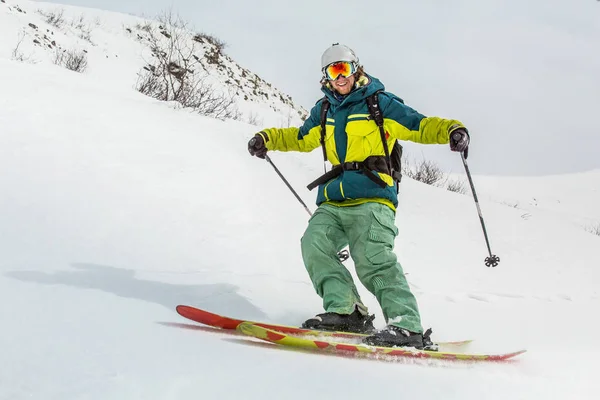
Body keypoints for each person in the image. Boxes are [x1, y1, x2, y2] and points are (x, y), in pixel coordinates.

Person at [247, 43, 469, 349]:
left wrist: (452, 130)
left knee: (373, 260)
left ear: (356, 69)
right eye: (333, 71)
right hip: (334, 200)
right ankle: (347, 311)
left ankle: (408, 326)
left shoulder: (379, 104)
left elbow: (419, 125)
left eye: (345, 69)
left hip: (373, 197)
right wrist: (267, 138)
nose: (340, 77)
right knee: (314, 244)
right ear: (325, 76)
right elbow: (300, 137)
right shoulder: (323, 110)